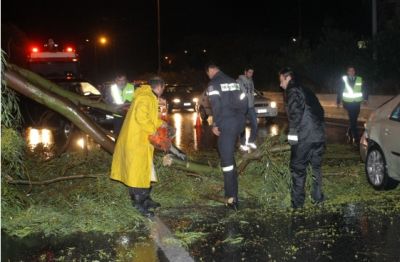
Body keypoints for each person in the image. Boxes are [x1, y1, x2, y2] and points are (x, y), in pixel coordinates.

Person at [110, 76, 166, 217]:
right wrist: (154, 129)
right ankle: (138, 204)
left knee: (146, 170)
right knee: (137, 173)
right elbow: (141, 118)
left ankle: (146, 199)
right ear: (159, 87)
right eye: (163, 88)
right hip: (136, 141)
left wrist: (160, 123)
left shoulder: (147, 96)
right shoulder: (146, 97)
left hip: (141, 141)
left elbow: (148, 116)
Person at [279, 68, 325, 209]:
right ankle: (317, 198)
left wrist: (292, 133)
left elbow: (295, 112)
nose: (280, 85)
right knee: (315, 168)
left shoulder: (292, 90)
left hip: (305, 136)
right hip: (319, 136)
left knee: (298, 169)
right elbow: (321, 111)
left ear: (287, 78)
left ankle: (297, 204)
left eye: (281, 80)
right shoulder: (306, 90)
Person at [206, 62, 247, 210]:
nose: (209, 76)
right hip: (239, 122)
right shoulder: (233, 81)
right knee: (228, 153)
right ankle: (232, 189)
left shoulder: (213, 84)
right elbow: (244, 100)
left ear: (211, 71)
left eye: (208, 74)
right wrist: (241, 117)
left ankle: (232, 198)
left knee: (227, 162)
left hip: (227, 123)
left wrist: (215, 124)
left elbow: (216, 106)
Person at [336, 66, 368, 145]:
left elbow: (364, 89)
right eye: (350, 71)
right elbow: (339, 90)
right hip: (348, 103)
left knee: (354, 119)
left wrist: (365, 99)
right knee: (353, 120)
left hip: (357, 103)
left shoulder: (359, 79)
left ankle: (349, 132)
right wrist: (338, 101)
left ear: (354, 71)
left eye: (353, 70)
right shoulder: (344, 80)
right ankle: (356, 138)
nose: (351, 72)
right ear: (347, 72)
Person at [237, 66, 258, 151]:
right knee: (242, 126)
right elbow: (236, 94)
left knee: (255, 125)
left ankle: (250, 141)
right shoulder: (238, 81)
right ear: (245, 72)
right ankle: (242, 144)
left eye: (252, 73)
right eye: (249, 72)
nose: (251, 74)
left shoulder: (251, 81)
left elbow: (251, 93)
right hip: (242, 107)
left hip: (251, 107)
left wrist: (253, 101)